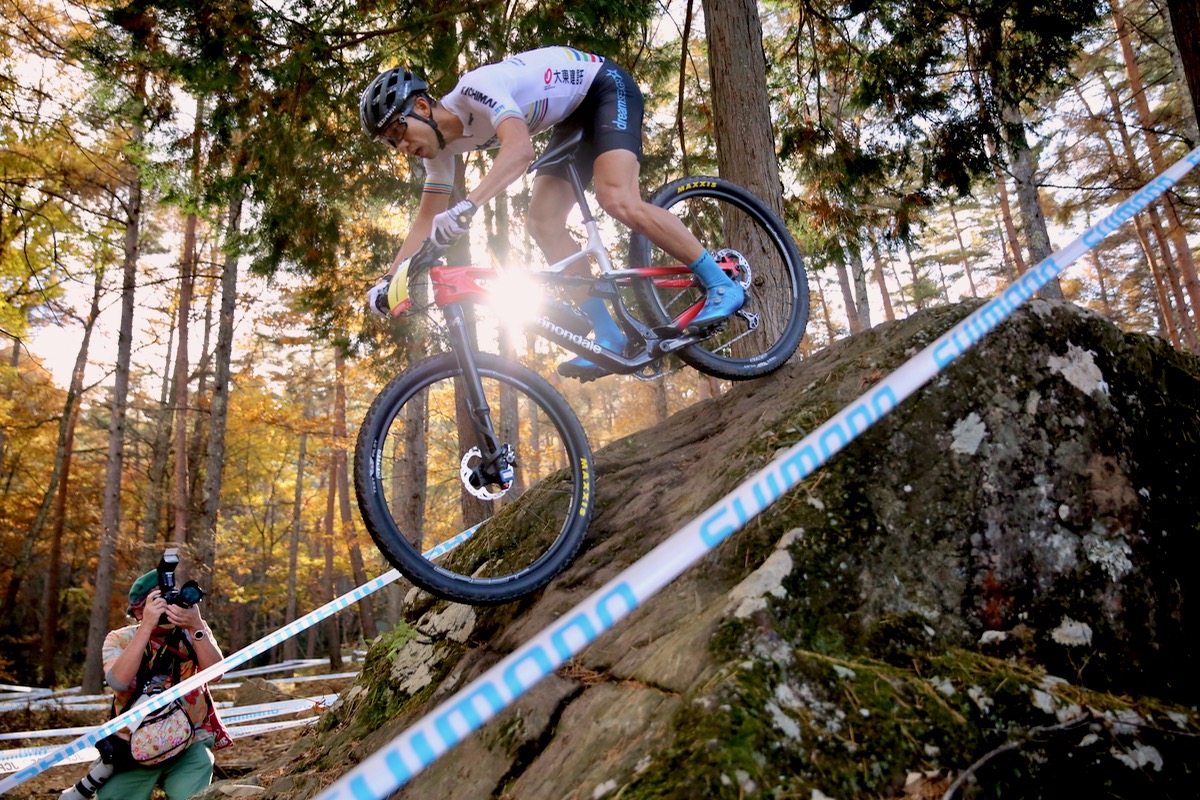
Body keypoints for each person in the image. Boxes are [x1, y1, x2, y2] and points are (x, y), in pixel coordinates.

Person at [360, 45, 745, 379]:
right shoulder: (440, 153)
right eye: (391, 144)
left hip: (604, 87)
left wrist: (467, 207)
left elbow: (520, 150)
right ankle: (607, 334)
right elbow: (425, 221)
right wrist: (390, 277)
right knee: (543, 222)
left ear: (423, 106)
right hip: (573, 114)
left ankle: (720, 282)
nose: (400, 147)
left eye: (398, 132)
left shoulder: (475, 89)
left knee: (616, 198)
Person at [85, 569, 231, 800]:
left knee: (193, 794)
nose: (168, 607)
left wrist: (196, 626)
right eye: (159, 601)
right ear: (137, 610)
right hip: (132, 744)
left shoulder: (193, 631)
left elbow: (216, 675)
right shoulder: (119, 638)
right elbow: (118, 682)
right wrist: (147, 626)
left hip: (189, 741)